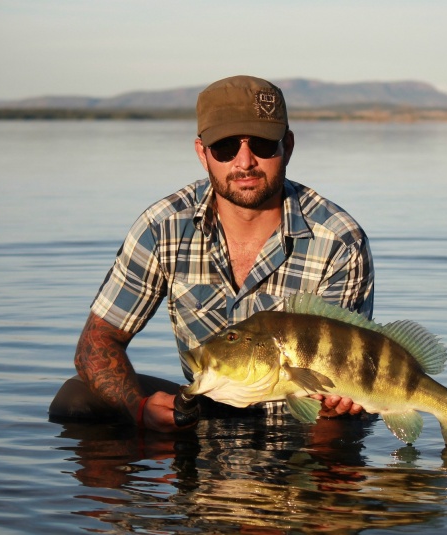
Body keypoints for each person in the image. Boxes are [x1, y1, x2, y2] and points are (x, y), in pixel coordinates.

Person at [49, 75, 374, 432]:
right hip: (206, 413)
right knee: (75, 399)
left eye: (264, 145)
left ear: (288, 147)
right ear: (203, 153)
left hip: (303, 425)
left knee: (338, 441)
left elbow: (339, 390)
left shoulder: (340, 240)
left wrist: (320, 456)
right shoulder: (163, 227)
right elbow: (96, 342)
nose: (245, 161)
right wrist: (138, 408)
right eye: (225, 148)